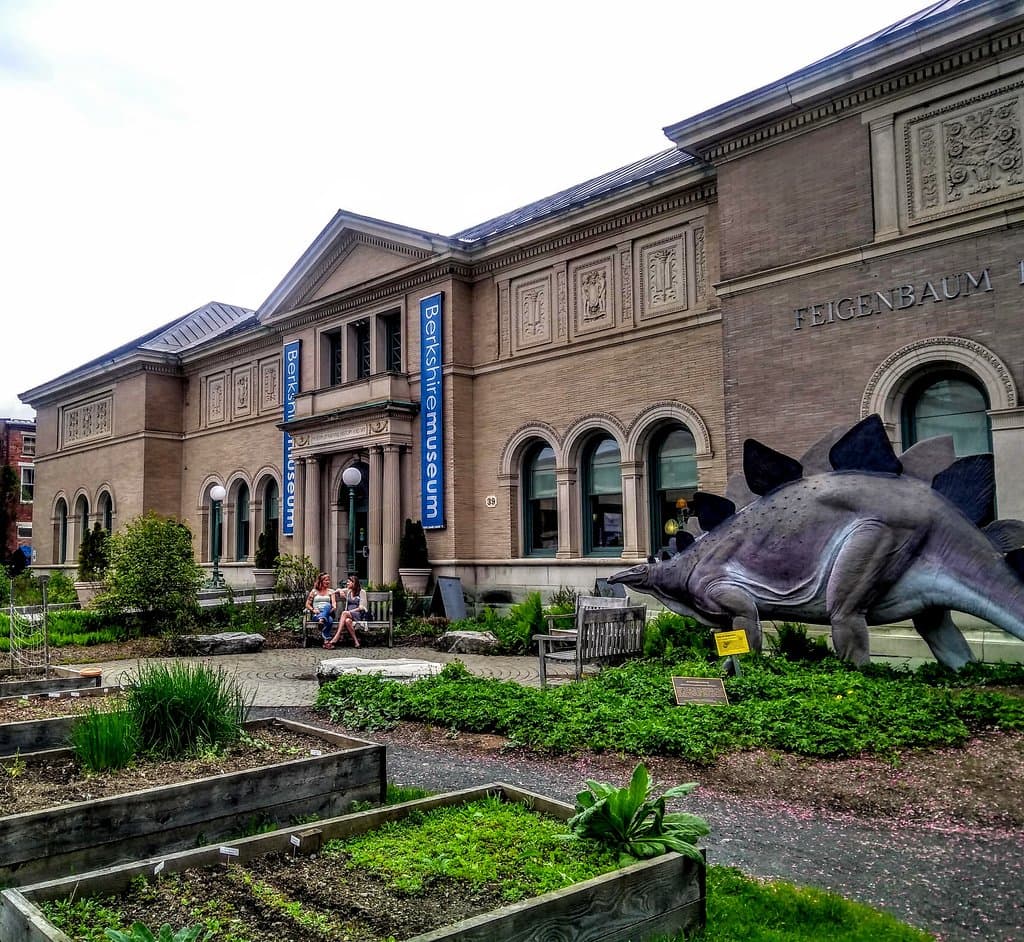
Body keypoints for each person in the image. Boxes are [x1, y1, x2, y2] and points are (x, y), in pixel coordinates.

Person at [326, 574, 367, 648]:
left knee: (345, 613)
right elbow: (336, 590)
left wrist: (350, 612)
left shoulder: (362, 592)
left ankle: (336, 637)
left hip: (359, 614)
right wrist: (341, 590)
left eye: (349, 582)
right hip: (349, 616)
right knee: (347, 621)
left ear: (354, 583)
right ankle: (356, 642)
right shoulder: (348, 591)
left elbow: (362, 607)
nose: (347, 583)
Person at [305, 573, 337, 647]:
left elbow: (334, 605)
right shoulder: (314, 591)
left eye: (328, 580)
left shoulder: (331, 592)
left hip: (328, 612)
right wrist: (313, 610)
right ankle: (327, 641)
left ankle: (322, 620)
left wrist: (333, 608)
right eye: (326, 580)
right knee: (330, 620)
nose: (328, 582)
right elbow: (307, 604)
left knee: (328, 605)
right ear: (321, 581)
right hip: (317, 614)